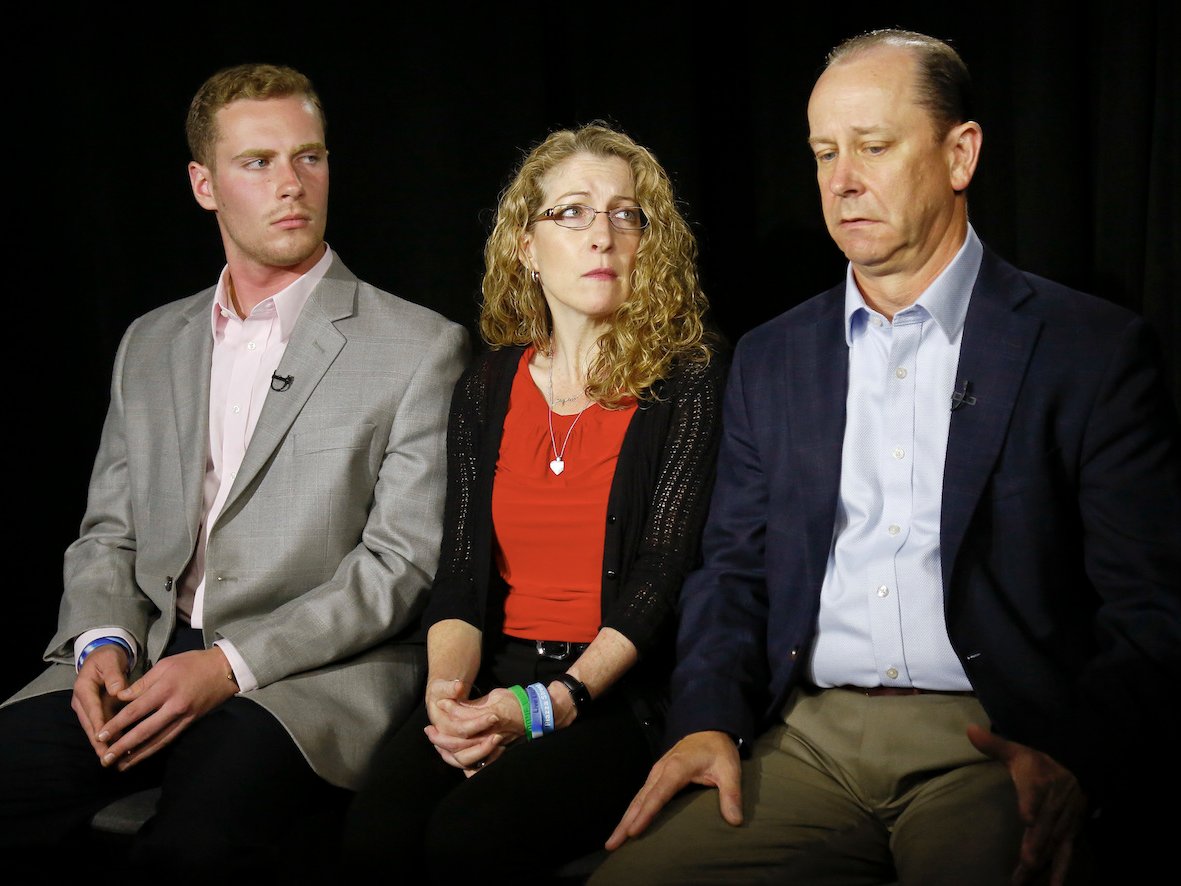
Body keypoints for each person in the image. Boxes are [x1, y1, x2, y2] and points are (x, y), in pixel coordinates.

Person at [590, 28, 1181, 886]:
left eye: (873, 146)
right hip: (803, 739)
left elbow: (1154, 609)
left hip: (994, 740)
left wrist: (1078, 757)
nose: (841, 181)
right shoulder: (772, 356)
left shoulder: (1087, 350)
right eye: (824, 152)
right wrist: (706, 720)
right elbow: (731, 573)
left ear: (959, 154)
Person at [0, 62, 469, 878]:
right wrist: (101, 642)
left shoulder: (420, 346)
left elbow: (400, 568)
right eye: (257, 163)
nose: (292, 184)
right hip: (146, 653)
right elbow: (107, 532)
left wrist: (225, 667)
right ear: (204, 184)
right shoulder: (150, 342)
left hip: (306, 675)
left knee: (196, 843)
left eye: (309, 157)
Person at [339, 121, 727, 880]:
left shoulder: (689, 375)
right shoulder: (487, 384)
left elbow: (663, 572)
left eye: (626, 214)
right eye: (573, 212)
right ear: (525, 245)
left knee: (471, 841)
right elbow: (459, 569)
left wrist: (554, 702)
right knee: (374, 836)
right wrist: (450, 704)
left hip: (614, 695)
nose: (602, 236)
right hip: (494, 676)